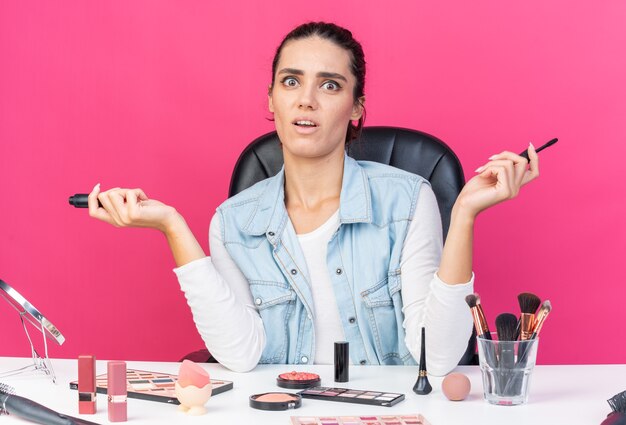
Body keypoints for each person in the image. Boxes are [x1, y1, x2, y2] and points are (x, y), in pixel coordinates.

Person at [87, 22, 539, 375]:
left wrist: (463, 215)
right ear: (271, 98)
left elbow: (437, 358)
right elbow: (241, 356)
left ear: (357, 106)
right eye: (290, 82)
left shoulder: (409, 201)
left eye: (329, 85)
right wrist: (172, 225)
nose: (306, 100)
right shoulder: (232, 221)